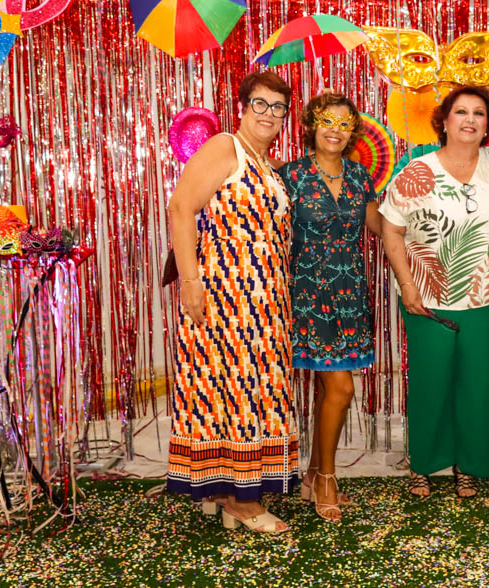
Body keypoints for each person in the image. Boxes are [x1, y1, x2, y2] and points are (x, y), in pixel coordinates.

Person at [166, 71, 297, 533]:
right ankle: (243, 502)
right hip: (226, 294)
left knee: (242, 391)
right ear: (242, 107)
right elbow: (181, 207)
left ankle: (221, 492)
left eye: (278, 107)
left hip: (266, 298)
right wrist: (190, 281)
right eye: (260, 103)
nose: (268, 114)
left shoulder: (267, 164)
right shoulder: (225, 147)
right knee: (238, 391)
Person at [380, 86, 489, 498]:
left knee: (478, 387)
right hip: (426, 300)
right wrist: (406, 284)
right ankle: (422, 464)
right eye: (461, 112)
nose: (470, 120)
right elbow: (391, 230)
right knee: (429, 385)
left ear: (488, 125)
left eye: (479, 113)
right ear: (445, 121)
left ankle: (468, 466)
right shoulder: (417, 171)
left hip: (488, 300)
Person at [278, 92, 381, 521]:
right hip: (307, 295)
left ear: (353, 132)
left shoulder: (359, 176)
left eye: (344, 123)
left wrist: (412, 206)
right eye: (327, 121)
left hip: (349, 293)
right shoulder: (290, 176)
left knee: (329, 391)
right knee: (341, 389)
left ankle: (311, 476)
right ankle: (325, 478)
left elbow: (377, 226)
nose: (335, 130)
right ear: (310, 125)